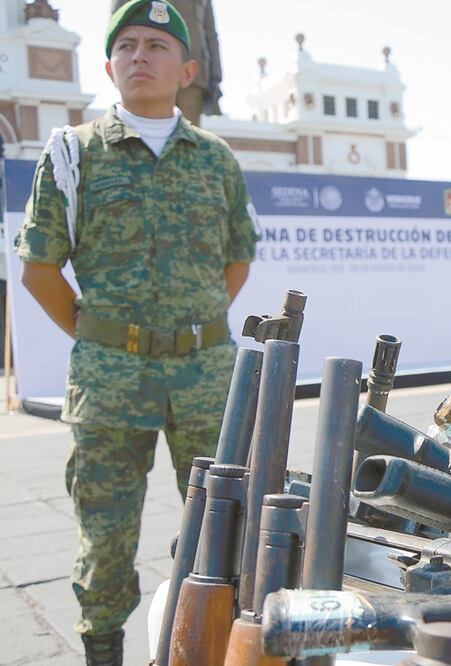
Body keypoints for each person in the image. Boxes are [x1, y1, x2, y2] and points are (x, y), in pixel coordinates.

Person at [14, 2, 258, 663]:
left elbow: (237, 256)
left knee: (223, 521)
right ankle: (104, 650)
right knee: (106, 532)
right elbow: (38, 267)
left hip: (206, 372)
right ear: (108, 66)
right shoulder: (73, 152)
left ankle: (213, 642)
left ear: (187, 70)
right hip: (109, 378)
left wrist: (192, 326)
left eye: (155, 44)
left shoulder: (216, 160)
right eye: (126, 45)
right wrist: (103, 335)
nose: (139, 55)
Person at [112, 0, 222, 124]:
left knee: (189, 137)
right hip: (144, 73)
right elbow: (116, 25)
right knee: (141, 129)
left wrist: (216, 79)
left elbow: (210, 34)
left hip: (193, 78)